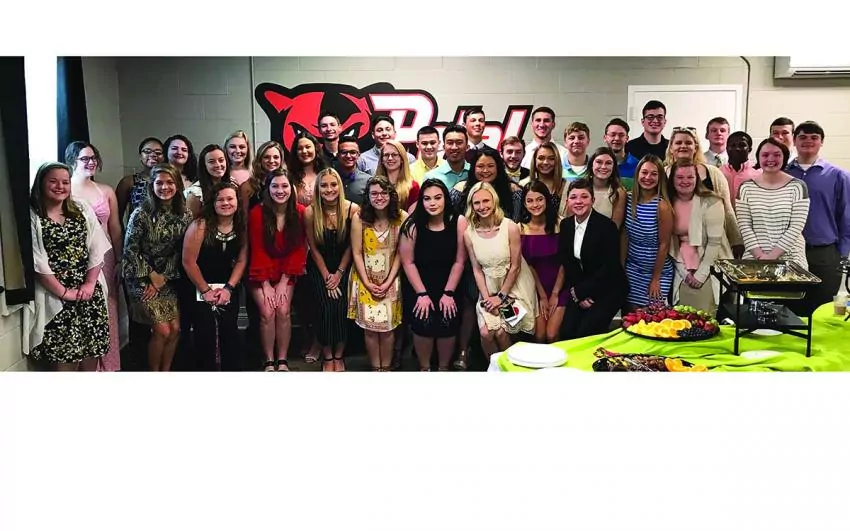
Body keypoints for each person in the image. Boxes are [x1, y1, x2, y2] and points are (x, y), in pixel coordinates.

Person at [24, 162, 111, 370]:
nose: (60, 186)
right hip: (55, 295)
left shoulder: (80, 208)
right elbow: (37, 261)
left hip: (88, 294)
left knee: (91, 354)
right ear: (41, 183)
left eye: (65, 182)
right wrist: (64, 292)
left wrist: (89, 284)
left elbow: (97, 246)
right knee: (64, 362)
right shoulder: (33, 215)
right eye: (53, 181)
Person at [122, 163, 192, 371]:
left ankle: (166, 371)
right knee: (162, 330)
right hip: (140, 277)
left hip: (168, 276)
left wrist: (164, 277)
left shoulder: (185, 214)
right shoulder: (140, 213)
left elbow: (181, 251)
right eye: (159, 183)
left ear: (177, 185)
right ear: (152, 185)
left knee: (175, 329)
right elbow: (130, 251)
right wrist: (152, 276)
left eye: (170, 182)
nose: (164, 187)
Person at [65, 141, 124, 371]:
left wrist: (119, 259)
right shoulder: (65, 190)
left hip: (106, 257)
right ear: (72, 160)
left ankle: (108, 365)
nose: (91, 162)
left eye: (93, 158)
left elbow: (115, 228)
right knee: (84, 307)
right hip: (78, 259)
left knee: (108, 306)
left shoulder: (106, 190)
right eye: (85, 158)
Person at [399, 178, 467, 371]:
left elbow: (460, 261)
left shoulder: (459, 222)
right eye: (427, 198)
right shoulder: (412, 225)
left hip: (450, 281)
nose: (432, 203)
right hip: (419, 282)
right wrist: (422, 294)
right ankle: (425, 368)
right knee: (424, 325)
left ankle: (444, 368)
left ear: (446, 199)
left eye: (438, 198)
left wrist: (448, 293)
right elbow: (408, 262)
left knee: (448, 324)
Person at [463, 182, 538, 357]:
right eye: (477, 203)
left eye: (486, 201)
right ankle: (495, 367)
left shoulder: (510, 227)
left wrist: (501, 297)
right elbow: (477, 270)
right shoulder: (469, 233)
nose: (482, 206)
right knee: (486, 333)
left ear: (494, 201)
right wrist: (487, 299)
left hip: (513, 288)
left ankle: (508, 368)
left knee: (501, 333)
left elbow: (515, 267)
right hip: (488, 288)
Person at [785, 120, 850, 314]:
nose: (808, 141)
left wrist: (842, 254)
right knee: (791, 308)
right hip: (788, 252)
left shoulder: (838, 176)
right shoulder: (783, 174)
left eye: (814, 137)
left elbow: (846, 216)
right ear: (794, 141)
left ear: (822, 142)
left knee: (822, 309)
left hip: (825, 254)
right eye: (803, 137)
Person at [182, 182, 247, 371]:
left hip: (227, 287)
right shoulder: (200, 225)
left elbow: (242, 260)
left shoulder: (241, 226)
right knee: (205, 335)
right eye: (220, 199)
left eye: (230, 198)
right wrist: (205, 291)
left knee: (230, 333)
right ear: (213, 202)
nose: (226, 203)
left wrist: (228, 288)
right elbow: (188, 262)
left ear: (237, 201)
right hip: (199, 286)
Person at [247, 170, 308, 371]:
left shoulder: (300, 212)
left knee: (283, 310)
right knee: (267, 312)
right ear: (268, 189)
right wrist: (265, 284)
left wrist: (283, 282)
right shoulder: (257, 213)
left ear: (292, 188)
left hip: (286, 271)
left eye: (284, 186)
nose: (280, 191)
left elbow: (299, 249)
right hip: (260, 271)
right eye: (275, 186)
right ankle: (269, 360)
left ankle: (282, 360)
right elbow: (258, 250)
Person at [347, 177, 407, 371]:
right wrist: (367, 282)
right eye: (374, 193)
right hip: (365, 279)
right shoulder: (359, 218)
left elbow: (401, 254)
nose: (379, 197)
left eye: (383, 193)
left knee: (388, 328)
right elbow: (356, 252)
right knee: (370, 330)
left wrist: (388, 282)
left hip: (391, 279)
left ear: (390, 195)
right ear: (368, 196)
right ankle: (375, 369)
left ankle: (386, 369)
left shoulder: (401, 217)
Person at [304, 168, 359, 372]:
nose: (329, 189)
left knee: (342, 306)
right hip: (320, 266)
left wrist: (339, 274)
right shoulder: (310, 212)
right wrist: (327, 276)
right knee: (327, 307)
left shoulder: (352, 209)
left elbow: (352, 246)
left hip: (344, 265)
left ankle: (339, 355)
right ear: (318, 188)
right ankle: (327, 356)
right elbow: (313, 247)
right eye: (324, 185)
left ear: (340, 186)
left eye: (333, 184)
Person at [558, 178, 627, 339]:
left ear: (593, 200)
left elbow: (610, 267)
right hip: (581, 287)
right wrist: (578, 293)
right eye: (573, 197)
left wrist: (586, 293)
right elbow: (569, 262)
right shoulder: (566, 225)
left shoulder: (607, 226)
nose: (579, 201)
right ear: (567, 201)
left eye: (584, 197)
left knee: (586, 333)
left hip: (609, 288)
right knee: (567, 333)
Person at [666, 160, 730, 315]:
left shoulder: (712, 201)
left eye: (690, 177)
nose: (685, 181)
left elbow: (714, 243)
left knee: (704, 316)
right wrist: (683, 271)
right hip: (680, 264)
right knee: (680, 317)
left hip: (709, 264)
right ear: (672, 179)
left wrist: (701, 275)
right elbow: (671, 242)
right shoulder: (668, 202)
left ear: (697, 179)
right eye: (680, 177)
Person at [737, 138, 811, 269]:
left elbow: (796, 226)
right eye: (765, 155)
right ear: (758, 158)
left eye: (777, 155)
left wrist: (772, 256)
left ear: (784, 157)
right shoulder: (746, 188)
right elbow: (744, 226)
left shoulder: (798, 186)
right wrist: (760, 256)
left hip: (791, 259)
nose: (770, 159)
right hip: (754, 259)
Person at [623, 155, 674, 311]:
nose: (648, 177)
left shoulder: (662, 206)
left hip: (656, 271)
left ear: (660, 178)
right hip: (632, 268)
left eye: (654, 174)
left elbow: (664, 244)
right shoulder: (628, 199)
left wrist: (655, 279)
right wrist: (621, 268)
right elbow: (624, 236)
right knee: (630, 315)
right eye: (644, 172)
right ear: (637, 173)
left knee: (651, 315)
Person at [518, 181, 566, 343]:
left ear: (547, 200)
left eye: (539, 199)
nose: (535, 205)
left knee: (551, 335)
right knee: (539, 336)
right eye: (530, 201)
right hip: (534, 287)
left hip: (560, 285)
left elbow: (565, 262)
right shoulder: (520, 228)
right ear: (524, 204)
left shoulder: (561, 224)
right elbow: (528, 266)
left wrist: (555, 293)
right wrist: (542, 296)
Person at [186, 144, 232, 219]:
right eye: (211, 162)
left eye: (221, 160)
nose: (218, 165)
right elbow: (190, 223)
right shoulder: (195, 194)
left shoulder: (232, 184)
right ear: (204, 165)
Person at [585, 147, 627, 229]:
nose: (603, 167)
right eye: (599, 162)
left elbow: (614, 227)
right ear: (591, 165)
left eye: (608, 163)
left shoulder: (619, 192)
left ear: (613, 167)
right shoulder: (579, 188)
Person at [374, 139, 420, 211]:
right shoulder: (373, 185)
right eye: (386, 155)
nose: (390, 158)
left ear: (402, 159)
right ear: (382, 160)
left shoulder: (413, 187)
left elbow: (413, 215)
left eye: (394, 155)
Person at [720, 131, 761, 209]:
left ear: (750, 149)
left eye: (742, 145)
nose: (737, 148)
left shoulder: (759, 173)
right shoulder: (719, 172)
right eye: (732, 145)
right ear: (726, 148)